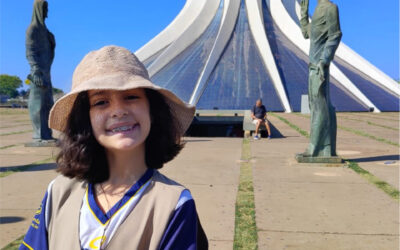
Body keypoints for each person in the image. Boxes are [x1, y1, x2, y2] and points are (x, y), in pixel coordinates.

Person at [20, 46, 208, 250]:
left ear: (152, 110)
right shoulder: (58, 192)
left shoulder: (174, 204)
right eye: (101, 102)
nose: (118, 111)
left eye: (131, 97)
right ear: (85, 118)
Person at [299, 0, 342, 157]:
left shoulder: (331, 8)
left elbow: (335, 35)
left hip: (319, 66)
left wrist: (325, 59)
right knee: (315, 106)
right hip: (312, 66)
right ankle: (324, 149)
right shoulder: (317, 9)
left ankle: (316, 148)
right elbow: (308, 33)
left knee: (320, 107)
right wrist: (303, 13)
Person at [25, 0, 55, 141]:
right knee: (37, 104)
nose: (46, 11)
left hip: (47, 72)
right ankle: (38, 135)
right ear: (38, 9)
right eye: (45, 8)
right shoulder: (33, 29)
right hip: (38, 73)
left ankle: (47, 134)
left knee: (48, 103)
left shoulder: (46, 32)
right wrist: (35, 70)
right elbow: (30, 51)